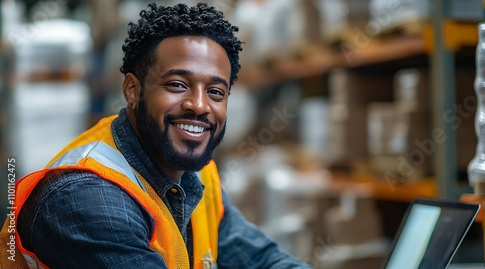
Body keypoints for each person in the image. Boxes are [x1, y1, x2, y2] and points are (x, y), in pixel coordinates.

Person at [0, 2, 312, 269]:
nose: (199, 106)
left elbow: (259, 258)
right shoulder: (85, 197)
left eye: (216, 92)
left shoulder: (197, 176)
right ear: (132, 90)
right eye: (178, 85)